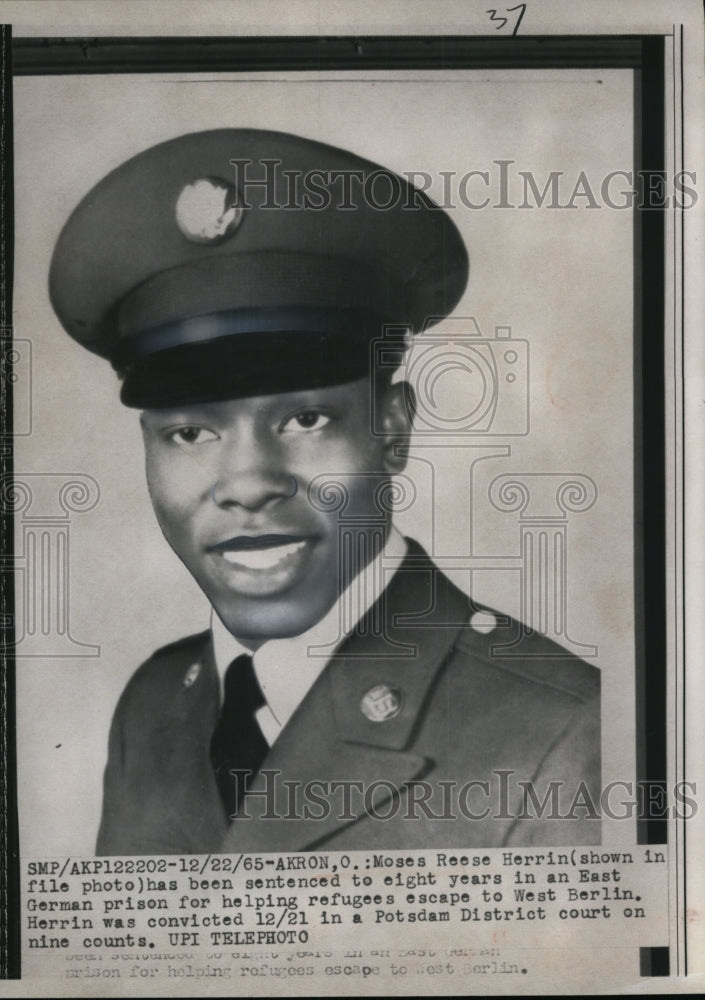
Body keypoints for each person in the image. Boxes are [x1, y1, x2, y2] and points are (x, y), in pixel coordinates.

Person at [49, 129, 600, 855]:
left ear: (393, 431)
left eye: (306, 418)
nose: (247, 485)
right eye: (189, 434)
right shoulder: (155, 707)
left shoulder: (561, 731)